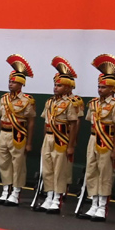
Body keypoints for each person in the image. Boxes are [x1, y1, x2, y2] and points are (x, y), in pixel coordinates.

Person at [82, 55, 115, 221]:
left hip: (108, 141)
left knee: (106, 173)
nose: (100, 89)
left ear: (112, 89)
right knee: (92, 170)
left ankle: (102, 206)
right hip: (93, 139)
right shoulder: (93, 103)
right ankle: (93, 203)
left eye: (103, 87)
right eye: (98, 86)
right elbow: (90, 123)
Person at [35, 57, 80, 213]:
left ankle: (57, 198)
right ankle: (49, 196)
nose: (56, 88)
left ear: (68, 88)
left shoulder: (70, 103)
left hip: (61, 139)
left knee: (59, 170)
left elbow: (73, 125)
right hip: (48, 138)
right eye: (55, 85)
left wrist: (71, 145)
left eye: (59, 85)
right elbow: (45, 122)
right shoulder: (49, 102)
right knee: (47, 169)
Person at [0, 55, 36, 205]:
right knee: (4, 163)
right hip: (4, 134)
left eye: (14, 82)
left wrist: (29, 142)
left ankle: (16, 192)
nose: (10, 84)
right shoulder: (4, 98)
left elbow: (31, 122)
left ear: (21, 84)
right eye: (9, 81)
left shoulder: (27, 100)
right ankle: (6, 190)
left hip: (18, 134)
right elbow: (1, 118)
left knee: (18, 164)